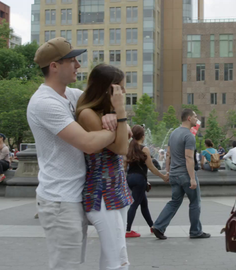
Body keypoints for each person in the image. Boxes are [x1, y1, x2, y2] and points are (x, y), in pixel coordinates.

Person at [27, 37, 121, 270]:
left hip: (75, 196)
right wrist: (115, 125)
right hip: (60, 200)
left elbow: (101, 101)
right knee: (67, 266)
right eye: (72, 60)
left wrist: (111, 116)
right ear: (54, 66)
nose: (78, 65)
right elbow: (88, 143)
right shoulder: (44, 103)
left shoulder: (70, 95)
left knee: (74, 263)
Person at [76, 63, 133, 269]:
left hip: (117, 190)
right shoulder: (87, 114)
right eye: (121, 88)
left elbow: (128, 136)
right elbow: (121, 148)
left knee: (117, 254)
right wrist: (120, 112)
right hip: (100, 193)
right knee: (117, 257)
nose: (124, 92)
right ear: (109, 89)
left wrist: (116, 117)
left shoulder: (105, 114)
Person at [152, 109, 211, 240]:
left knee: (174, 201)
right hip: (185, 174)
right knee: (195, 202)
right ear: (189, 118)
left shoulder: (173, 134)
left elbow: (168, 155)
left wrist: (168, 172)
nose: (197, 118)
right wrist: (192, 179)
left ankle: (158, 226)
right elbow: (189, 157)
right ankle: (195, 231)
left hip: (174, 174)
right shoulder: (189, 136)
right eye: (195, 116)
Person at [125, 125, 169, 238]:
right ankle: (127, 230)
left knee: (144, 204)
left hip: (130, 178)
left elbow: (124, 165)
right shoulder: (144, 149)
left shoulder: (129, 147)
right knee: (134, 204)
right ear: (143, 136)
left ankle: (152, 226)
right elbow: (151, 167)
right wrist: (163, 176)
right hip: (140, 179)